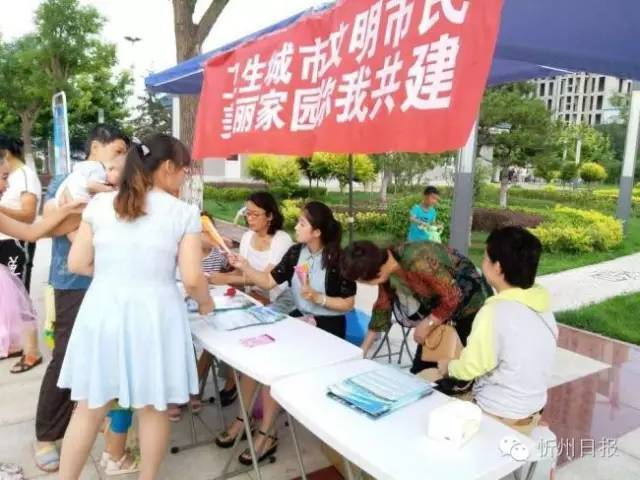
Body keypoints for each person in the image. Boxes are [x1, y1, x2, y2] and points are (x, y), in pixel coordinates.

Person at [56, 134, 214, 480]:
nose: (185, 176)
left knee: (89, 408)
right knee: (153, 408)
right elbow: (192, 278)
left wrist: (115, 273)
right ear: (168, 167)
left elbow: (77, 262)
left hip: (102, 310)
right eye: (184, 169)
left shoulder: (101, 205)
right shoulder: (183, 213)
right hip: (154, 316)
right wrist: (206, 302)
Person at [216, 201, 356, 465]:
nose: (296, 227)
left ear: (317, 232)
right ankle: (243, 419)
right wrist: (244, 266)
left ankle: (267, 434)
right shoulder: (295, 252)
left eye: (302, 223)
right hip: (297, 320)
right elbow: (269, 281)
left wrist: (319, 298)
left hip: (326, 329)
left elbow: (348, 303)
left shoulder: (338, 259)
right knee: (252, 358)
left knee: (274, 366)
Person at [33, 124, 130, 474]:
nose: (121, 158)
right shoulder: (67, 180)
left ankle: (98, 425)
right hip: (73, 282)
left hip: (109, 283)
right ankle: (46, 435)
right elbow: (50, 223)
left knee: (104, 357)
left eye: (124, 154)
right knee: (65, 358)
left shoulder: (118, 185)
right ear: (95, 147)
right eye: (117, 150)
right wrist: (76, 224)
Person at [436, 227, 557, 435]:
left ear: (498, 267)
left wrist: (449, 367)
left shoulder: (495, 311)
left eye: (485, 258)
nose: (482, 263)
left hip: (499, 412)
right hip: (533, 408)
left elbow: (471, 367)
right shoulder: (543, 305)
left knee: (433, 403)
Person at [340, 241, 492, 368]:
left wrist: (429, 323)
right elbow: (382, 305)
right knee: (422, 368)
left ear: (376, 273)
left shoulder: (417, 261)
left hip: (471, 306)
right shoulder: (384, 266)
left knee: (458, 367)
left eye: (362, 281)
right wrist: (363, 351)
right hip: (441, 309)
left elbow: (452, 296)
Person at [0, 136, 43, 373]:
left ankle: (32, 351)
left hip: (16, 243)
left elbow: (28, 214)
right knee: (6, 298)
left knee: (21, 296)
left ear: (5, 153)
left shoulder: (25, 175)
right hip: (3, 240)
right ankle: (16, 344)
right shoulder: (10, 175)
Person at [55, 152, 126, 206]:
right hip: (72, 197)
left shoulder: (94, 166)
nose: (118, 183)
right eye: (120, 178)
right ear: (111, 169)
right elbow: (91, 185)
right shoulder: (100, 172)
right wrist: (111, 190)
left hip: (65, 197)